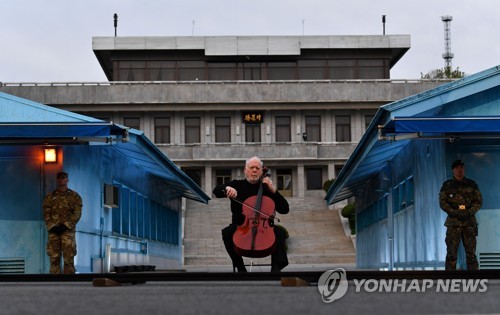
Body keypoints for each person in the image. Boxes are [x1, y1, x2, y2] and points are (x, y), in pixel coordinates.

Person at [213, 156, 290, 272]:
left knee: (279, 232)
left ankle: (276, 269)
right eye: (251, 167)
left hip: (264, 228)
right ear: (245, 170)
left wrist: (274, 191)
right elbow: (216, 191)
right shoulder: (237, 185)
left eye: (257, 168)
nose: (254, 170)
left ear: (261, 171)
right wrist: (227, 188)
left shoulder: (267, 188)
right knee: (227, 232)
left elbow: (285, 209)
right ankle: (240, 267)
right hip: (241, 227)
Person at [439, 160, 482, 270]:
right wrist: (455, 212)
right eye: (457, 168)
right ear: (453, 170)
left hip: (469, 222)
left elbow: (478, 201)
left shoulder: (472, 184)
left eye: (461, 167)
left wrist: (469, 212)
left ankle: (474, 281)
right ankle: (449, 282)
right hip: (454, 223)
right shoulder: (447, 186)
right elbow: (443, 202)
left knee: (471, 254)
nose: (459, 170)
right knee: (451, 255)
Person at [42, 171, 83, 274]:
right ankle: (54, 282)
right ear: (57, 180)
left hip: (67, 232)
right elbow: (46, 213)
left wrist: (66, 226)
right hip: (54, 231)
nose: (61, 179)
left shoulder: (74, 196)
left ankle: (69, 282)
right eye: (59, 178)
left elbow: (77, 214)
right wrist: (52, 226)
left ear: (67, 180)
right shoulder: (50, 197)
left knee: (68, 258)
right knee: (54, 258)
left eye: (63, 177)